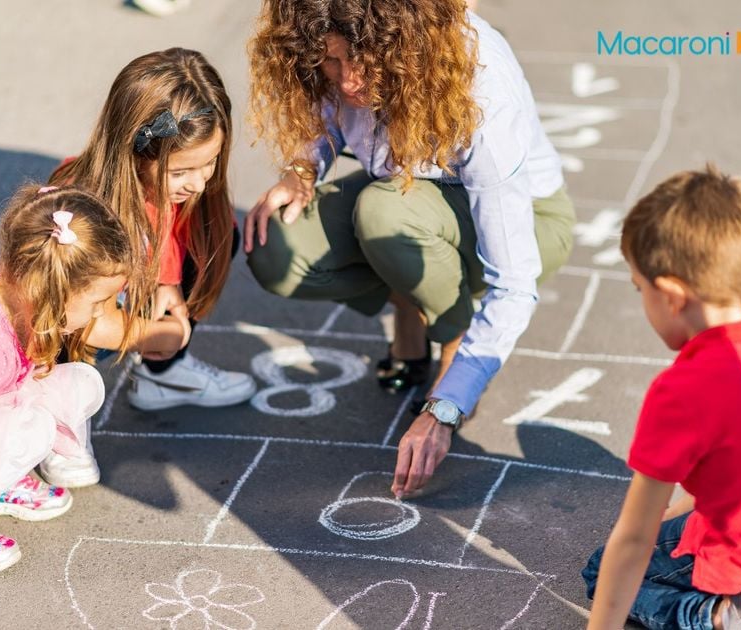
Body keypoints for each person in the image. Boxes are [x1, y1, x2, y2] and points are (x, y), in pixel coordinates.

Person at [245, 0, 574, 497]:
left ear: (406, 43)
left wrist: (448, 406)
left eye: (362, 62)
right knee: (276, 247)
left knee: (384, 212)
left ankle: (454, 337)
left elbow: (513, 282)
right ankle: (413, 300)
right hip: (405, 203)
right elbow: (332, 120)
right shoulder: (344, 52)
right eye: (331, 62)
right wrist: (302, 169)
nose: (348, 81)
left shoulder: (482, 92)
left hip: (530, 221)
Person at [582, 165, 741, 629]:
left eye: (640, 290)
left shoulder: (683, 390)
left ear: (671, 296)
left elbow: (632, 540)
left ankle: (724, 615)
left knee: (600, 568)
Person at [0, 184, 148, 576]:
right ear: (54, 292)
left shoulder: (15, 300)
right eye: (96, 303)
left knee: (79, 383)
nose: (98, 314)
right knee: (32, 427)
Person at [49, 49, 256, 476]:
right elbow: (78, 323)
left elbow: (162, 220)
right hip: (60, 334)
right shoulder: (82, 209)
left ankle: (165, 376)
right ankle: (58, 419)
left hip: (116, 308)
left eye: (211, 162)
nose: (199, 182)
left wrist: (168, 281)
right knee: (71, 352)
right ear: (136, 152)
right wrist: (157, 334)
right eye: (182, 171)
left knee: (217, 232)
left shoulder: (169, 187)